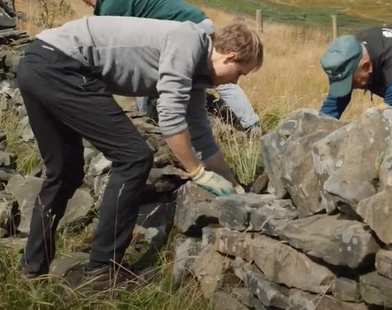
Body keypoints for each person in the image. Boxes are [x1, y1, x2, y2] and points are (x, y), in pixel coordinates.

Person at [15, 16, 262, 289]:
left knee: (64, 173)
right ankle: (102, 271)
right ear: (230, 56)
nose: (237, 83)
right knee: (133, 157)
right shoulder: (188, 42)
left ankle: (32, 268)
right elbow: (170, 119)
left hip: (38, 63)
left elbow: (200, 135)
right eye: (241, 73)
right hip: (63, 66)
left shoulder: (196, 73)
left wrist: (231, 182)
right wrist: (197, 172)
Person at [74, 0, 262, 134]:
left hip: (190, 29)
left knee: (223, 78)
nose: (90, 6)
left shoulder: (112, 3)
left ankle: (252, 127)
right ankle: (150, 121)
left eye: (87, 1)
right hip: (190, 27)